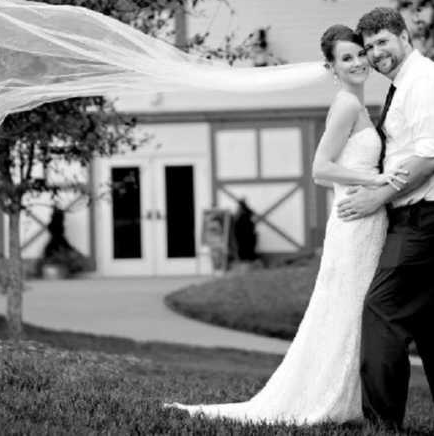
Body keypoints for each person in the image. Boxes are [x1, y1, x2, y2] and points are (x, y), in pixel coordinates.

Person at [166, 25, 405, 425]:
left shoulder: (358, 105)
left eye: (360, 53)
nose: (359, 61)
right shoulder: (347, 105)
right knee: (347, 307)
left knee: (350, 309)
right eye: (346, 58)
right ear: (332, 67)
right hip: (354, 221)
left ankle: (351, 397)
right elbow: (320, 169)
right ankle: (331, 397)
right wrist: (375, 180)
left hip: (364, 219)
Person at [337, 7, 434, 435]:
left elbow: (431, 158)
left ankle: (382, 426)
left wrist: (377, 196)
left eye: (382, 42)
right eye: (369, 47)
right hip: (429, 217)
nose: (375, 53)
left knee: (381, 311)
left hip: (428, 218)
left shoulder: (428, 82)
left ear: (404, 35)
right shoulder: (407, 85)